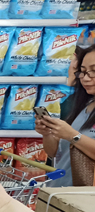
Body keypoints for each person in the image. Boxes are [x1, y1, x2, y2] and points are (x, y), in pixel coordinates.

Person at [36, 44, 95, 186]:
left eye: (93, 71)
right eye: (82, 71)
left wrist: (73, 136)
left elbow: (74, 138)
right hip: (60, 189)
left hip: (84, 195)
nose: (85, 78)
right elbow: (55, 153)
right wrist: (48, 134)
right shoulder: (84, 106)